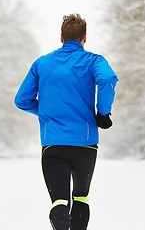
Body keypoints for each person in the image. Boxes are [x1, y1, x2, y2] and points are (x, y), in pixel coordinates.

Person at [14, 13, 118, 230]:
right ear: (84, 38)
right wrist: (102, 113)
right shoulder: (94, 61)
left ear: (61, 37)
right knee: (81, 197)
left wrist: (46, 113)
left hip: (53, 145)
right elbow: (107, 79)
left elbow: (21, 100)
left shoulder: (42, 64)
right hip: (85, 144)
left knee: (59, 201)